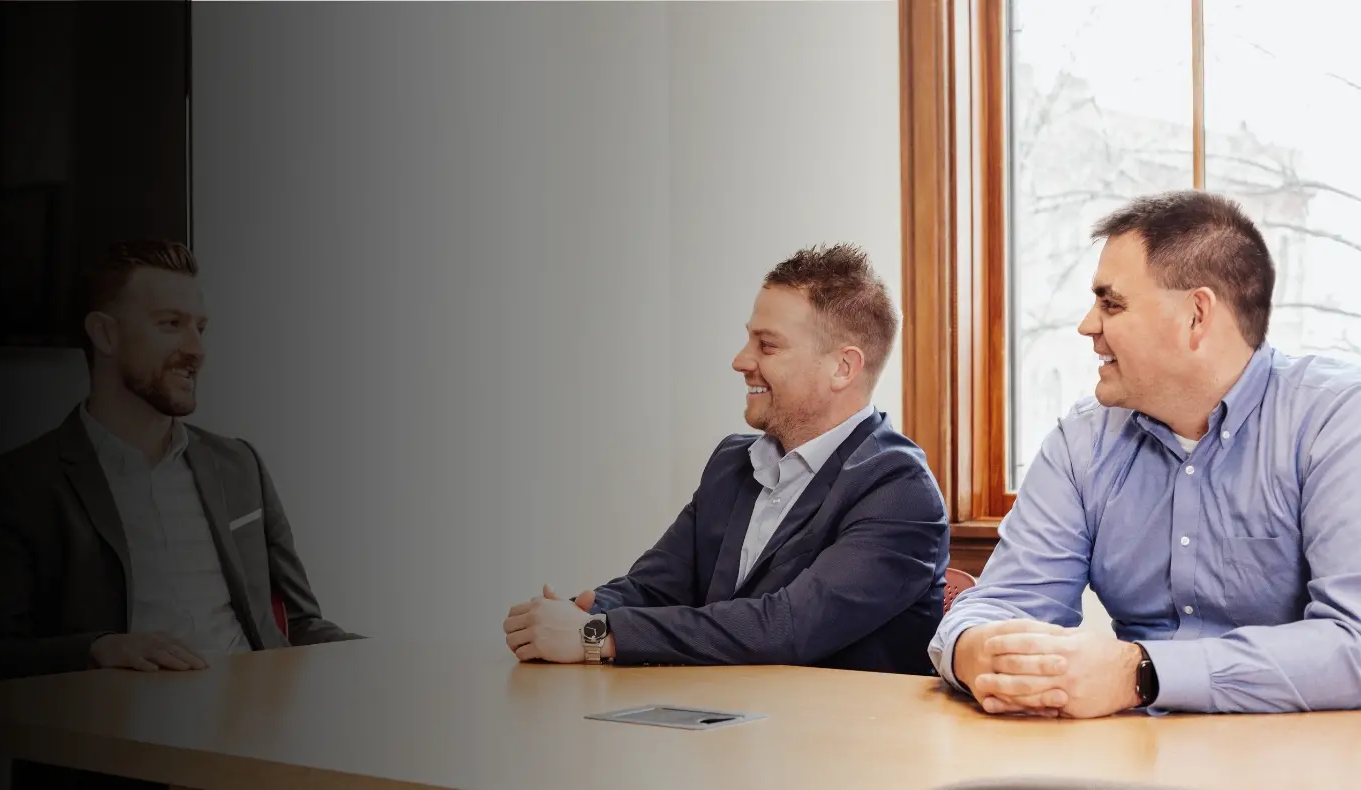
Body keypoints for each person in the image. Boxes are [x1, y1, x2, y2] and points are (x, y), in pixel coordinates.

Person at [929, 190, 1361, 718]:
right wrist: (975, 650)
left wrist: (1142, 673)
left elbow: (1353, 643)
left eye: (1111, 303)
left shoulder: (1338, 420)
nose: (1088, 325)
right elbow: (1004, 603)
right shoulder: (1081, 441)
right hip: (1128, 757)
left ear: (1196, 315)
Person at [503, 243, 949, 673]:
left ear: (843, 368)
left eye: (767, 346)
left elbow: (786, 628)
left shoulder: (900, 492)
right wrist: (583, 613)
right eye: (748, 341)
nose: (741, 361)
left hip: (840, 743)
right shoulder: (732, 464)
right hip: (727, 726)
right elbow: (653, 588)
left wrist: (596, 636)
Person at [0, 240, 361, 688]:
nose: (197, 349)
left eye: (201, 328)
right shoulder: (18, 484)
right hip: (117, 743)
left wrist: (385, 661)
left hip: (253, 731)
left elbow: (299, 625)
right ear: (105, 335)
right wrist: (97, 649)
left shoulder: (240, 465)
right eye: (171, 324)